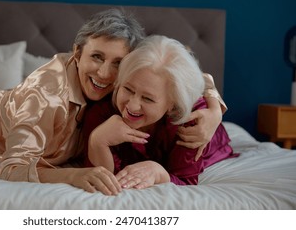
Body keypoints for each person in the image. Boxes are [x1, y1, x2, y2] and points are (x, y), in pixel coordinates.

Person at [0, 9, 225, 196]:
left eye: (118, 63)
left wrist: (214, 110)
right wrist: (72, 175)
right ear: (76, 52)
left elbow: (179, 72)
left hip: (13, 100)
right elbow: (12, 167)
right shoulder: (44, 99)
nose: (105, 74)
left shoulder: (126, 81)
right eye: (96, 57)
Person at [83, 35, 236, 190]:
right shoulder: (101, 112)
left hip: (207, 143)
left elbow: (186, 180)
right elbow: (105, 179)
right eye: (127, 89)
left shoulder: (190, 122)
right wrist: (98, 141)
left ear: (172, 105)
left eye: (148, 99)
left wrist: (159, 173)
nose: (133, 106)